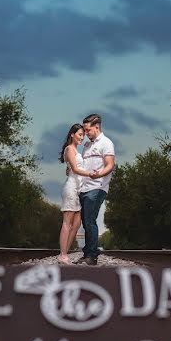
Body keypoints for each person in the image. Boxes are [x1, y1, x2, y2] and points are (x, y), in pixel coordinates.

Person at [77, 113, 115, 265]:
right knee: (85, 222)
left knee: (90, 221)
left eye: (88, 130)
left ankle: (92, 256)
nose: (86, 133)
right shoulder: (86, 145)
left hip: (98, 187)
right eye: (85, 130)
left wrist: (99, 174)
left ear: (97, 127)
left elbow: (110, 165)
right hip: (84, 188)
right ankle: (87, 252)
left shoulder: (106, 143)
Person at [58, 124, 94, 265]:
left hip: (78, 189)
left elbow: (72, 168)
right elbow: (75, 169)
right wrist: (91, 174)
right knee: (67, 222)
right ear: (72, 134)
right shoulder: (69, 149)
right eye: (79, 134)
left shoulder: (76, 151)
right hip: (71, 189)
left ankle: (64, 253)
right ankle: (62, 255)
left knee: (77, 223)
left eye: (83, 135)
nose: (81, 137)